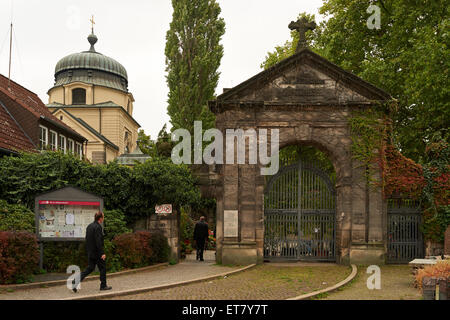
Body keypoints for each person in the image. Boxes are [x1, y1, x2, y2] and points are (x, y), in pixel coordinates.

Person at [73, 211, 111, 292]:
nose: (103, 219)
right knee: (103, 268)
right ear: (100, 218)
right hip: (97, 253)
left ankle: (75, 281)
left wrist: (89, 251)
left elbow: (87, 240)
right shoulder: (98, 227)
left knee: (90, 268)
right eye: (103, 217)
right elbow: (98, 242)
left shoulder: (89, 226)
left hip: (91, 252)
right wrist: (102, 253)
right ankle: (103, 286)